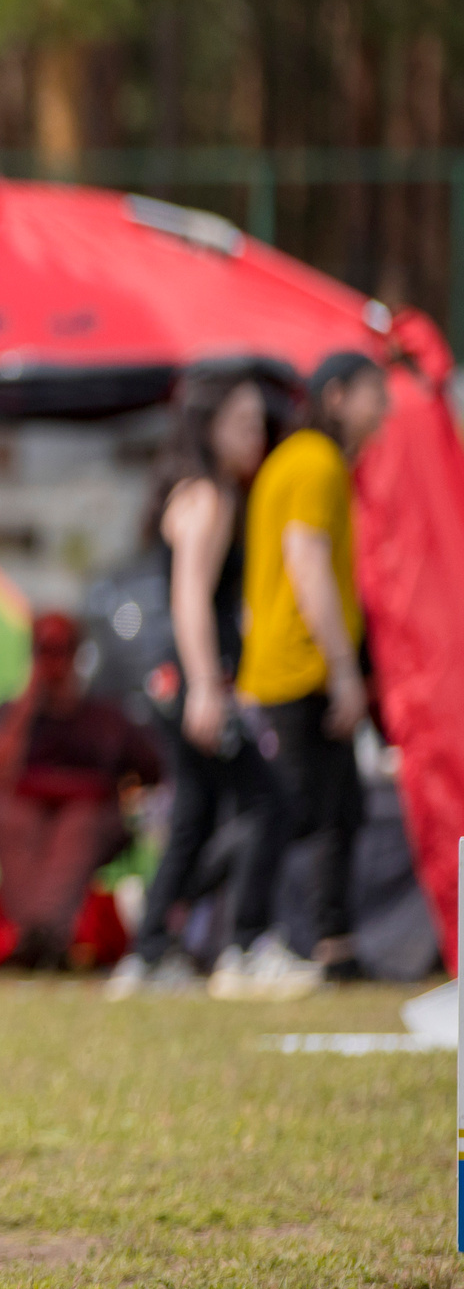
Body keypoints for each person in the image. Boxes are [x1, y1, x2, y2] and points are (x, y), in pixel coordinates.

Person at [213, 350, 390, 998]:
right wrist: (344, 671)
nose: (386, 411)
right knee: (287, 813)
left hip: (285, 662)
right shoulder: (316, 463)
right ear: (337, 396)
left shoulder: (288, 461)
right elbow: (306, 563)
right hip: (301, 669)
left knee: (335, 808)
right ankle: (236, 937)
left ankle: (329, 945)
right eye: (376, 395)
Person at [107, 368, 281, 999]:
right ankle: (246, 946)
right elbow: (188, 600)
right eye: (243, 423)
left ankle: (151, 947)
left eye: (260, 423)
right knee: (268, 801)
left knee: (196, 812)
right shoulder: (208, 495)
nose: (256, 435)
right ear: (208, 428)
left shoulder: (209, 490)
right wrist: (207, 686)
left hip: (176, 679)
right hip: (185, 679)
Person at [0, 613, 163, 969]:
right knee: (16, 820)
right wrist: (29, 702)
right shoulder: (10, 715)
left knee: (76, 827)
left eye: (61, 651)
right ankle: (37, 932)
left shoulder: (105, 719)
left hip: (89, 813)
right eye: (44, 651)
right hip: (26, 811)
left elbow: (153, 770)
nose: (53, 663)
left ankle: (43, 932)